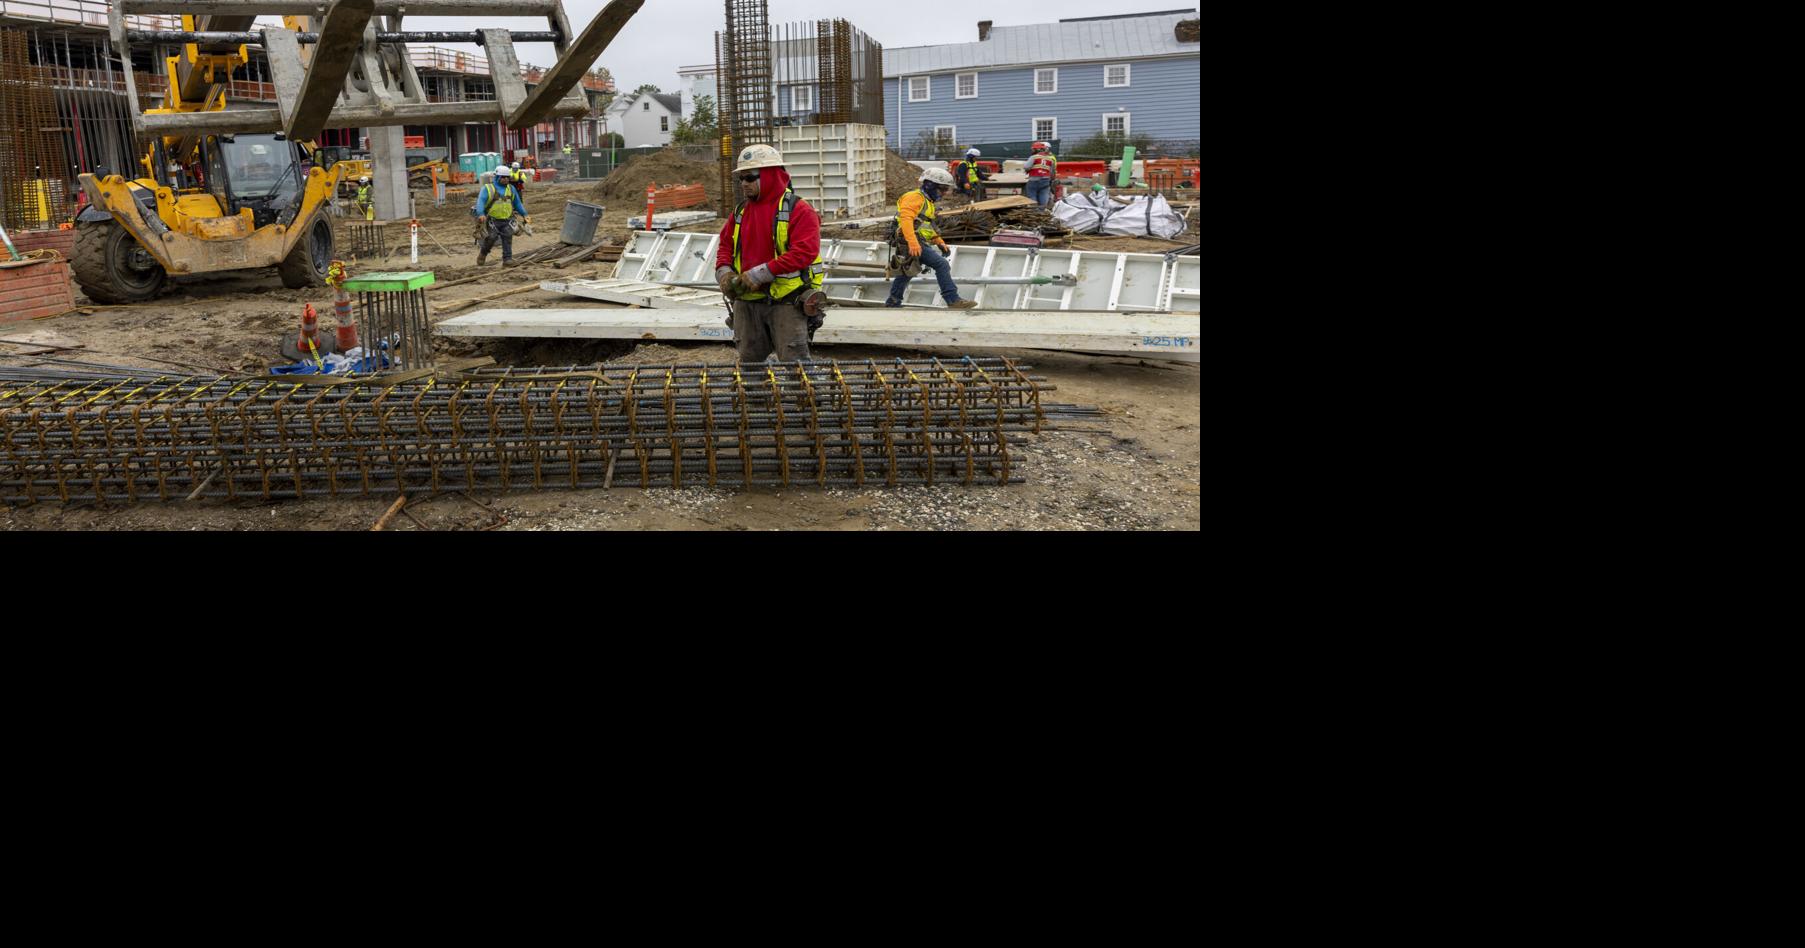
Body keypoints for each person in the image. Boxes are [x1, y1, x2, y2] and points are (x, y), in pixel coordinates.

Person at [713, 143, 828, 363]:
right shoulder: (740, 211)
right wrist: (724, 273)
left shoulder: (799, 210)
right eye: (741, 178)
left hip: (786, 301)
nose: (744, 184)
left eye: (750, 177)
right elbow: (725, 246)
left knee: (795, 363)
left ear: (770, 175)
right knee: (750, 361)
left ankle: (804, 398)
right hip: (747, 302)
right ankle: (756, 397)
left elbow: (804, 252)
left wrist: (758, 274)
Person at [886, 168, 977, 310]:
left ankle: (893, 302)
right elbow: (906, 220)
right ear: (930, 185)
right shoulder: (914, 197)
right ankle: (953, 300)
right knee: (941, 264)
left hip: (914, 240)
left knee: (907, 272)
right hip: (910, 240)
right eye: (942, 189)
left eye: (946, 189)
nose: (944, 193)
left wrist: (938, 240)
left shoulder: (927, 202)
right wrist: (912, 242)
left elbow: (925, 226)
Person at [472, 168, 529, 265]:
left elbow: (517, 203)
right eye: (503, 177)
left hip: (507, 219)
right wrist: (481, 213)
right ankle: (483, 254)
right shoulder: (488, 188)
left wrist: (525, 214)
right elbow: (480, 202)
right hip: (492, 220)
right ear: (497, 177)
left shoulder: (511, 189)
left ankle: (507, 259)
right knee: (491, 238)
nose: (506, 179)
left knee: (507, 237)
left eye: (507, 177)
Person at [1026, 141, 1056, 208]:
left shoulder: (1034, 157)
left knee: (1032, 195)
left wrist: (1028, 170)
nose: (1032, 150)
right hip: (1045, 180)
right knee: (1043, 195)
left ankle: (1034, 211)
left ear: (1036, 149)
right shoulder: (1050, 159)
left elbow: (1026, 167)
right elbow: (1052, 173)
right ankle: (1041, 212)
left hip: (1034, 179)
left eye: (1033, 149)